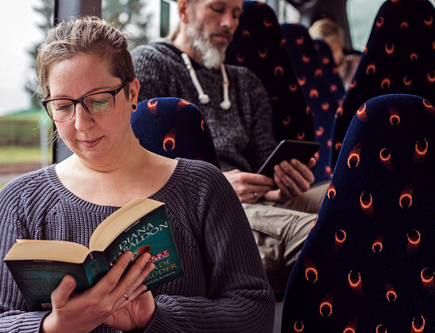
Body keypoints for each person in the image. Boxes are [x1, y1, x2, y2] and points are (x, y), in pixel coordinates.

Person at [0, 17, 275, 332]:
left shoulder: (203, 188)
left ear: (132, 93)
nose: (81, 124)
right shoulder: (18, 201)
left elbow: (255, 311)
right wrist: (53, 327)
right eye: (62, 106)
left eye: (98, 101)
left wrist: (155, 317)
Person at [131, 0, 327, 297]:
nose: (229, 23)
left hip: (257, 200)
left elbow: (264, 162)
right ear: (184, 10)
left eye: (236, 14)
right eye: (218, 9)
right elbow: (137, 166)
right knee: (332, 231)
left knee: (354, 195)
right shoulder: (151, 63)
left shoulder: (246, 83)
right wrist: (217, 185)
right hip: (200, 212)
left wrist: (280, 186)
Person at [308, 18, 361, 90]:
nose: (325, 57)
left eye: (331, 51)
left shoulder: (358, 65)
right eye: (319, 52)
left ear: (341, 45)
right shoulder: (310, 76)